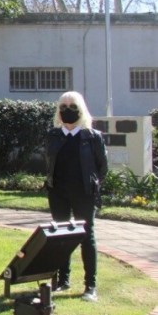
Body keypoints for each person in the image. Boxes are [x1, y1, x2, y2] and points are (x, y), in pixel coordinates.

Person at [45, 91, 108, 302]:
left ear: (81, 109)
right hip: (58, 192)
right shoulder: (53, 136)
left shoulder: (92, 137)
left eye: (72, 106)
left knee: (86, 236)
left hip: (84, 193)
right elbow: (50, 164)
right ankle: (63, 281)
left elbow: (102, 168)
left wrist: (92, 186)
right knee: (61, 235)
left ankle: (91, 286)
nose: (67, 111)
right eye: (63, 107)